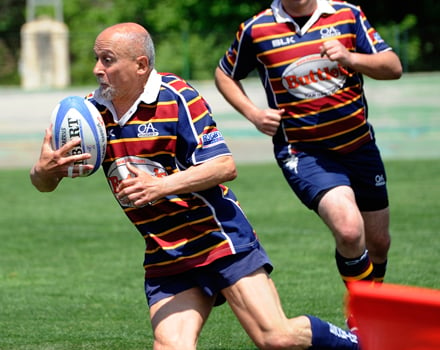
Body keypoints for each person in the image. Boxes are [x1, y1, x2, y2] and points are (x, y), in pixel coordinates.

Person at [30, 23, 361, 350]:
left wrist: (161, 186)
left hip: (219, 239)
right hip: (165, 251)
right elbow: (44, 183)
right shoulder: (90, 113)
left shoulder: (177, 98)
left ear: (141, 65)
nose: (97, 69)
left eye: (107, 60)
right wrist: (44, 171)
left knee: (277, 338)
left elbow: (224, 166)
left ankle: (362, 344)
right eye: (96, 58)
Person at [215, 0, 402, 289]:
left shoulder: (347, 14)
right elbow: (225, 73)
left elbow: (392, 67)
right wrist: (254, 113)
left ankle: (374, 310)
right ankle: (361, 319)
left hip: (360, 146)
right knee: (350, 230)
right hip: (304, 153)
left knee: (379, 243)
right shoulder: (257, 29)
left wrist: (350, 58)